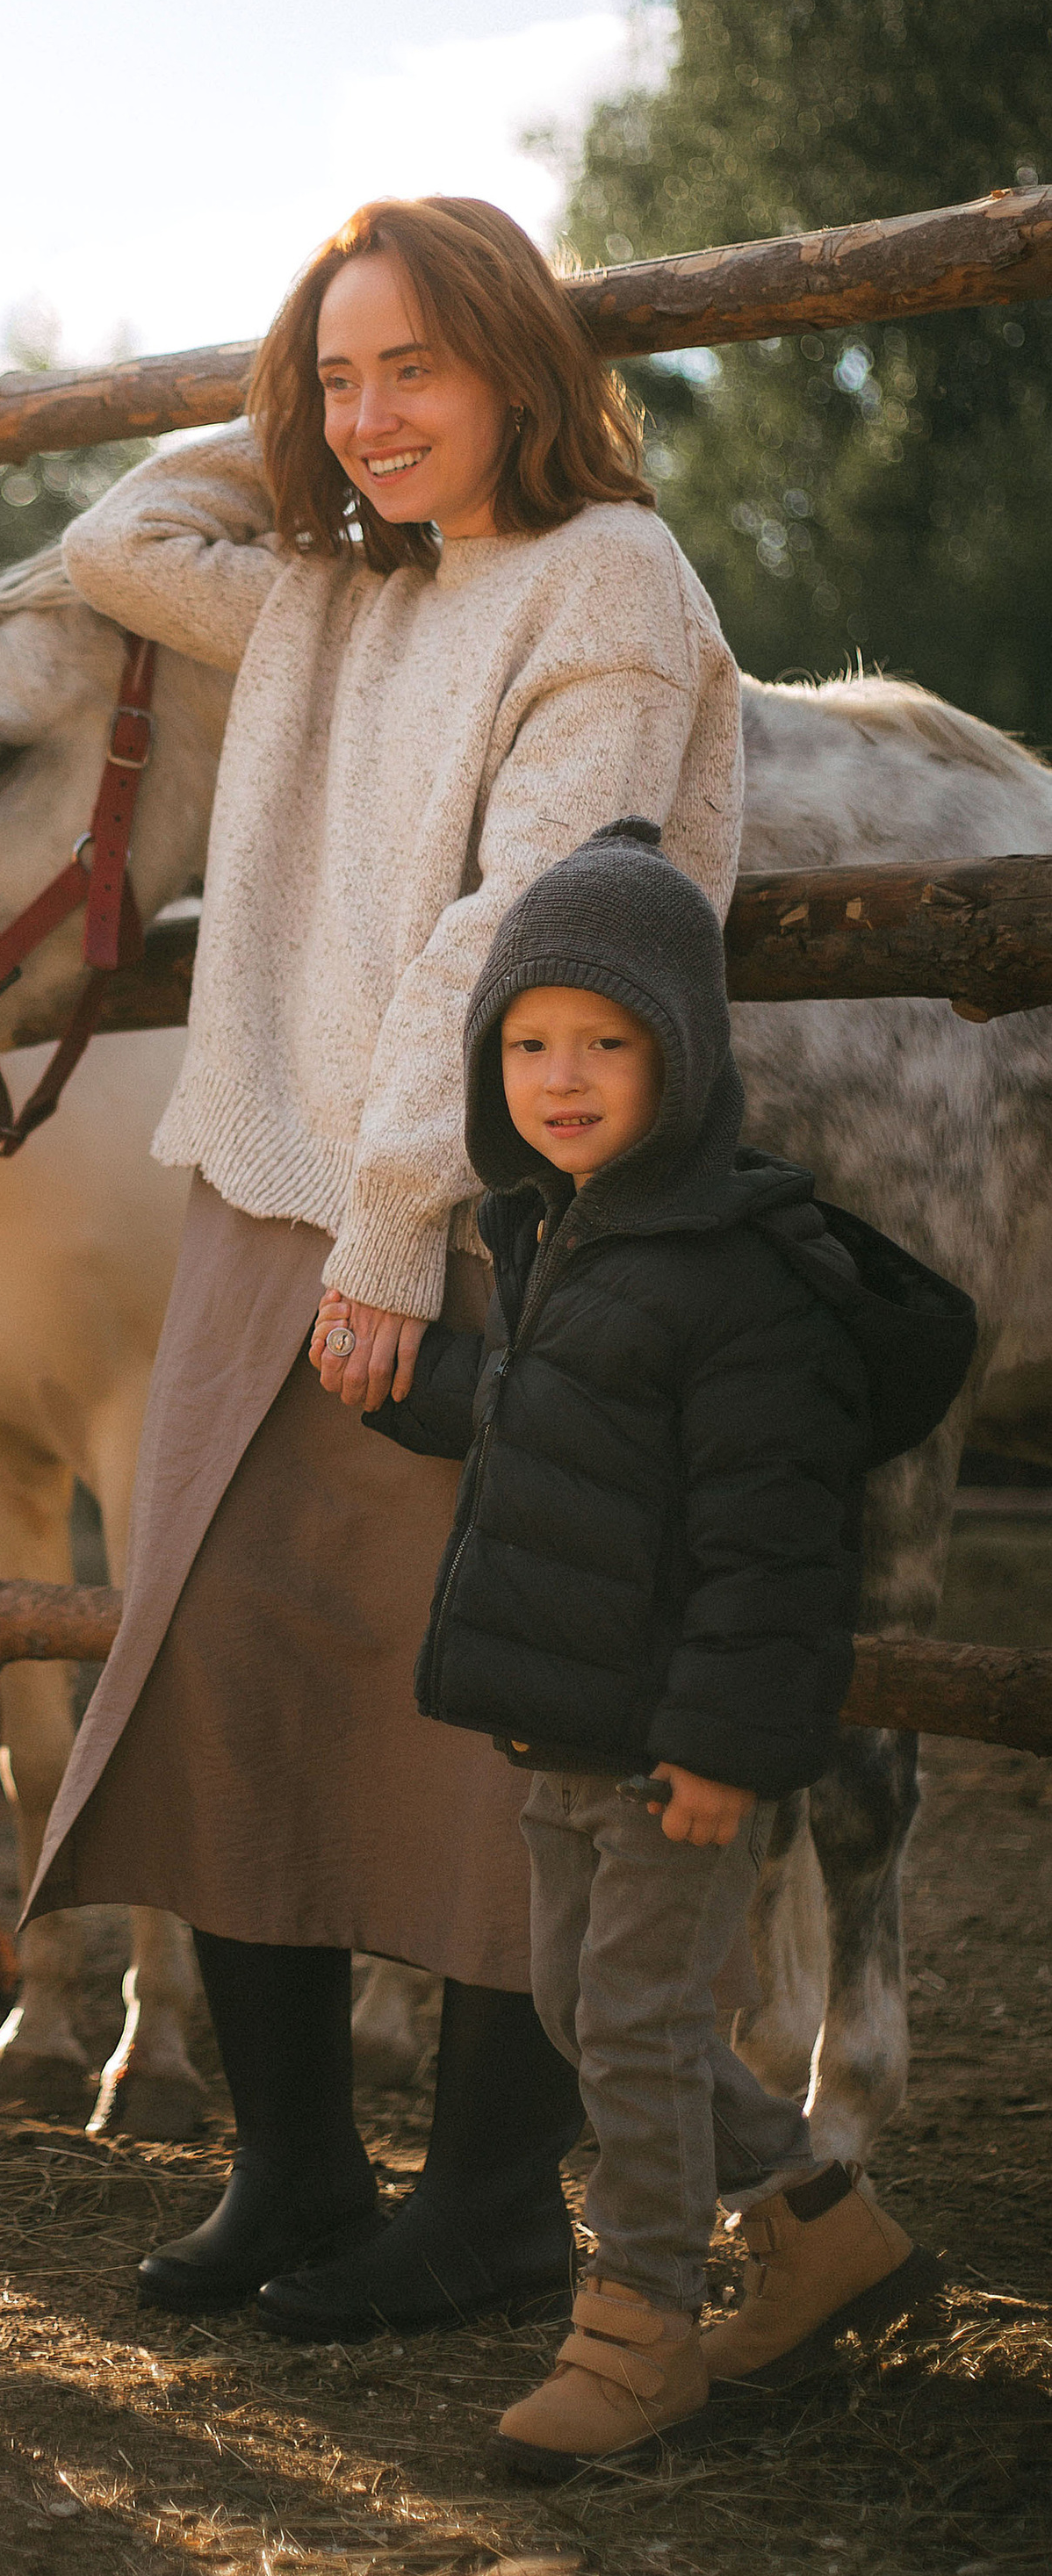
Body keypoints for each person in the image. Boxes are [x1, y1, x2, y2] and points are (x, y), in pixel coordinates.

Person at [30, 194, 743, 2338]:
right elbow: (111, 548)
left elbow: (524, 932)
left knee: (488, 1706)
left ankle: (495, 2206)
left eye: (412, 368)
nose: (367, 420)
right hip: (265, 1187)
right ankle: (293, 2165)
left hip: (485, 1217)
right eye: (334, 381)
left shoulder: (608, 587)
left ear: (522, 362)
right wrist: (287, 430)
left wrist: (398, 1219)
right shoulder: (339, 592)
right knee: (226, 1659)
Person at [361, 817, 973, 2472]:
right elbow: (543, 1426)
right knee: (578, 2005)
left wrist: (723, 1746)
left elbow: (779, 1547)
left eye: (608, 1042)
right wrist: (415, 1392)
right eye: (531, 1042)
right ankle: (819, 2225)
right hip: (565, 1733)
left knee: (628, 2025)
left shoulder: (737, 1273)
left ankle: (638, 2331)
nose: (563, 1076)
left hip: (667, 1749)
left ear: (683, 1056)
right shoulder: (557, 1232)